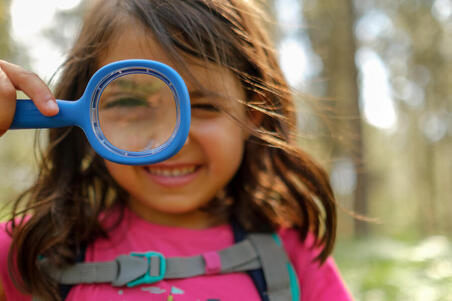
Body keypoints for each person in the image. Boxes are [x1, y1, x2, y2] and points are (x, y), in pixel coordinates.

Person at [0, 0, 353, 300]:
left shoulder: (291, 252)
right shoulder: (30, 249)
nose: (173, 139)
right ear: (90, 115)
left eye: (204, 107)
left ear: (253, 115)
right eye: (131, 105)